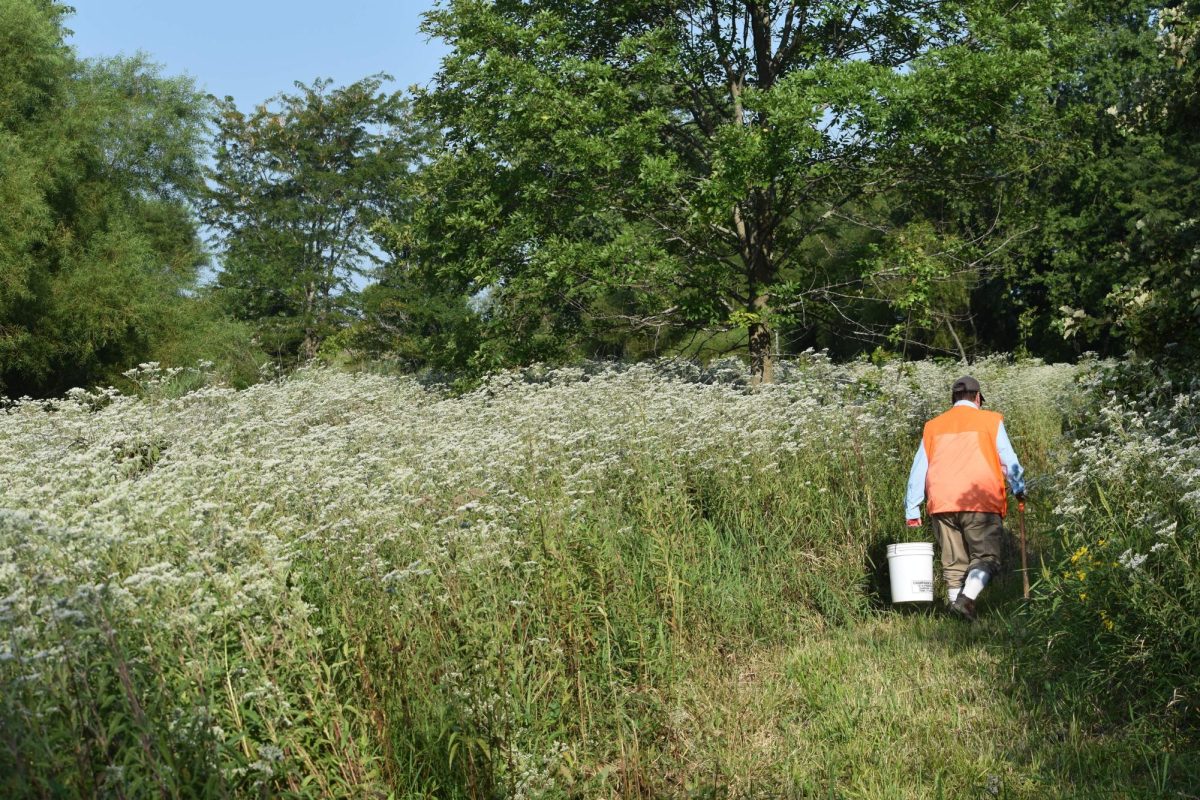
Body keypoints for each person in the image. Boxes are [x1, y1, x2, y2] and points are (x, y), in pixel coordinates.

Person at [904, 376, 1025, 621]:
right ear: (978, 398)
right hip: (981, 499)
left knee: (953, 561)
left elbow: (919, 468)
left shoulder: (934, 426)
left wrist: (912, 508)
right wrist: (1018, 487)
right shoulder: (991, 421)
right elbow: (1008, 459)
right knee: (986, 557)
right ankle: (965, 601)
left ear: (953, 399)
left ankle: (957, 615)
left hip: (942, 502)